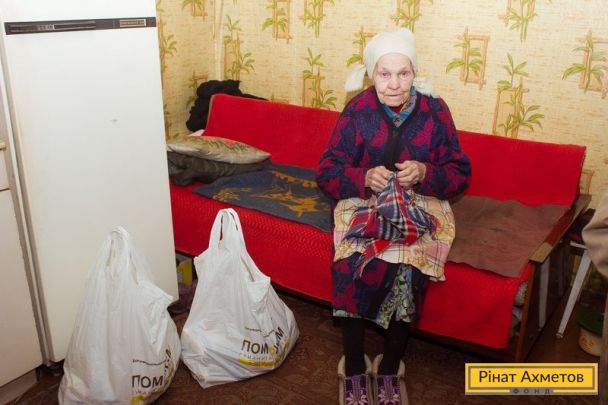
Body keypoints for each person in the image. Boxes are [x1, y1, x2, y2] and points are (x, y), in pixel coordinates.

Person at [315, 28, 471, 405]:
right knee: (351, 261)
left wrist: (425, 172)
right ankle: (354, 364)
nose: (395, 84)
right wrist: (362, 177)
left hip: (419, 203)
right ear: (372, 74)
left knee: (410, 265)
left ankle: (389, 367)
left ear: (414, 72)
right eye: (385, 74)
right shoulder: (358, 111)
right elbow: (327, 171)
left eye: (404, 73)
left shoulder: (435, 111)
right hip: (364, 202)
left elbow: (460, 172)